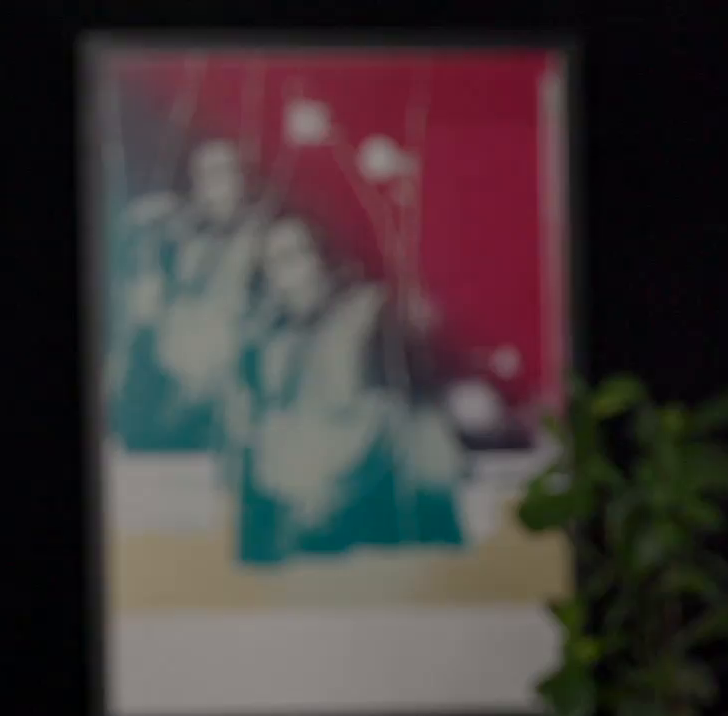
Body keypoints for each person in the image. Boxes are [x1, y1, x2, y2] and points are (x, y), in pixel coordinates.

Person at [234, 215, 466, 566]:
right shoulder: (269, 340)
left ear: (323, 257)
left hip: (369, 507)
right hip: (297, 514)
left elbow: (402, 412)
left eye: (293, 256)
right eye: (271, 263)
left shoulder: (371, 313)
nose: (283, 273)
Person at [109, 140, 262, 457]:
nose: (213, 185)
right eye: (203, 175)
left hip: (224, 375)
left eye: (224, 172)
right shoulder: (181, 232)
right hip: (172, 370)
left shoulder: (260, 235)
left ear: (243, 179)